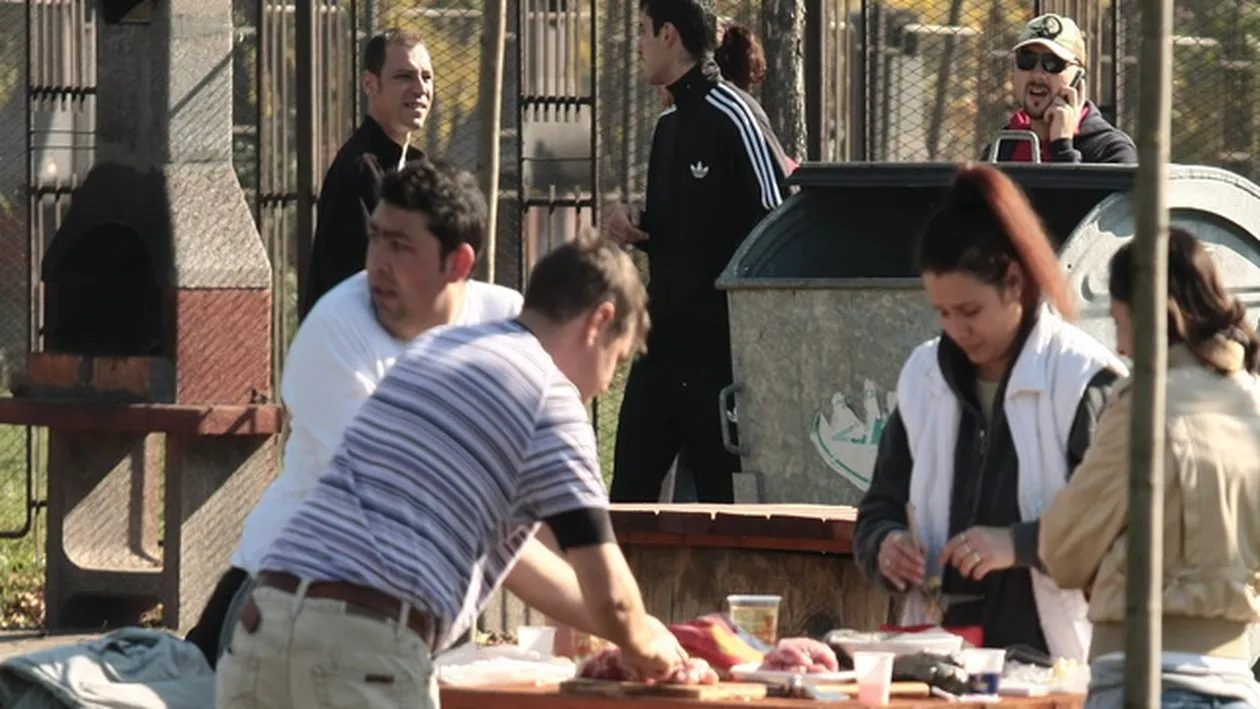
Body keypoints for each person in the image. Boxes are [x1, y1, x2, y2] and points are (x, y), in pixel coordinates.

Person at [215, 236, 688, 709]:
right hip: (362, 648)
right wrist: (653, 649)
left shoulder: (436, 350)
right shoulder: (549, 397)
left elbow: (523, 564)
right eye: (617, 360)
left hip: (265, 623)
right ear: (600, 320)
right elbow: (613, 597)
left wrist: (639, 629)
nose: (604, 385)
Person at [184, 157, 522, 667]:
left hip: (409, 616)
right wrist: (611, 613)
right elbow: (412, 502)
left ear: (457, 264)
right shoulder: (337, 329)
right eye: (376, 238)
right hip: (281, 603)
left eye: (400, 246)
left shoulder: (507, 328)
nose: (377, 264)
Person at [852, 163, 1126, 662]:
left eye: (970, 311)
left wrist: (1018, 545)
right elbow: (880, 505)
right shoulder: (922, 375)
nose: (957, 328)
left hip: (1058, 662)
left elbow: (1116, 530)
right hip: (937, 658)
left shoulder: (1084, 379)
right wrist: (884, 545)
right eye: (943, 312)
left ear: (1015, 283)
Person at [1041, 228, 1260, 707]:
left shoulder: (1144, 403)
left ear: (1144, 316)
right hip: (1235, 679)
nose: (1120, 347)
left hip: (1142, 678)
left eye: (1118, 322)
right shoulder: (1252, 402)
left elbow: (1063, 549)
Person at [606, 0, 791, 504]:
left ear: (669, 35)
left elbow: (779, 219)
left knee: (724, 514)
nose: (637, 46)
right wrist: (635, 220)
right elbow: (682, 222)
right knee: (628, 503)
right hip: (660, 347)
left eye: (642, 32)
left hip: (719, 358)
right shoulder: (667, 127)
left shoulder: (735, 114)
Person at [300, 28, 432, 318]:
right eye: (404, 76)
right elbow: (356, 281)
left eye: (426, 77)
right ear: (370, 84)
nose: (421, 88)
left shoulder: (418, 167)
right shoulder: (357, 170)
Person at [981, 14, 1136, 164]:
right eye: (1026, 60)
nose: (1037, 75)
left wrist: (1062, 148)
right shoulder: (1002, 147)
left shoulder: (1111, 150)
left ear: (1078, 77)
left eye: (1053, 63)